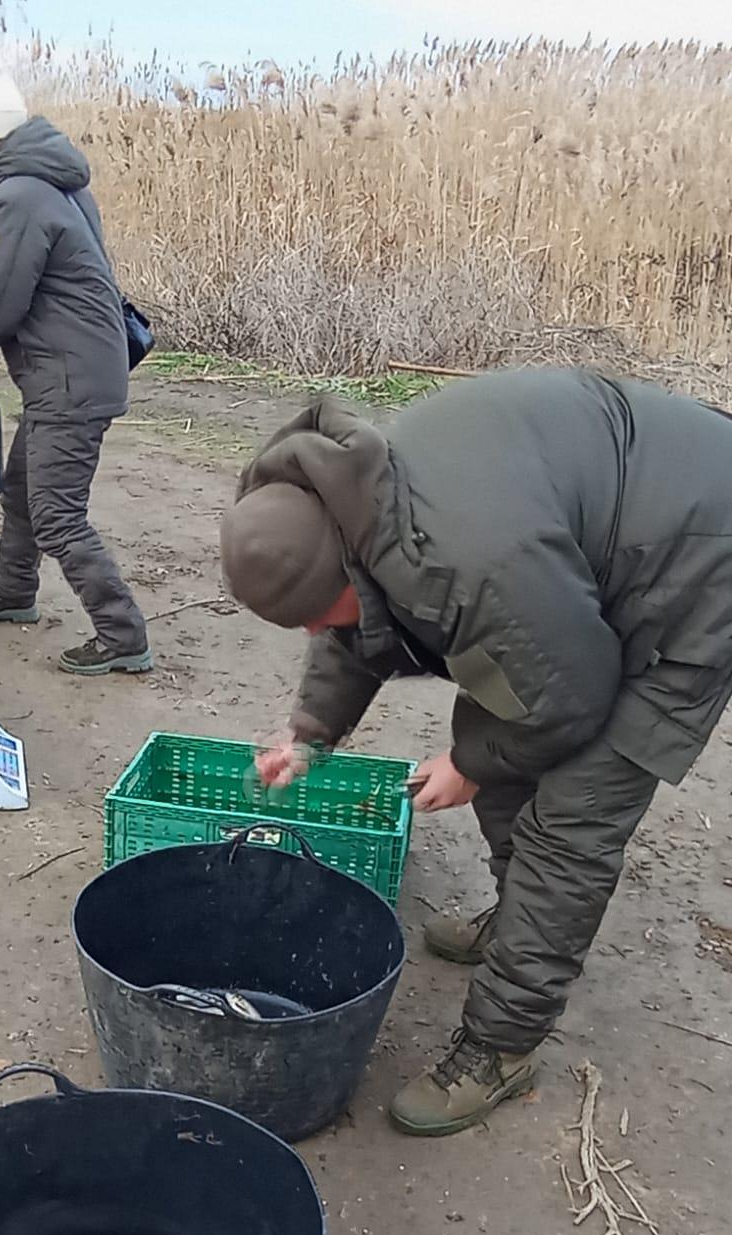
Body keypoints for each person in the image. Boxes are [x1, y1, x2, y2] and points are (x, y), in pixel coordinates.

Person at [220, 367, 732, 1136]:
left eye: (313, 616)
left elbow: (569, 703)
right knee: (500, 723)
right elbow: (350, 624)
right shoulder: (356, 499)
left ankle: (502, 1045)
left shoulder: (466, 561)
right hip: (598, 553)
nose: (310, 634)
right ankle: (518, 916)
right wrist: (309, 733)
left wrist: (469, 765)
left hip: (701, 567)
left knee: (572, 820)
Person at [0, 63, 152, 677]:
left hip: (69, 380)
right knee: (23, 490)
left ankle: (122, 634)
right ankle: (12, 592)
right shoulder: (50, 186)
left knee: (55, 511)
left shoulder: (16, 195)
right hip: (74, 370)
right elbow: (14, 275)